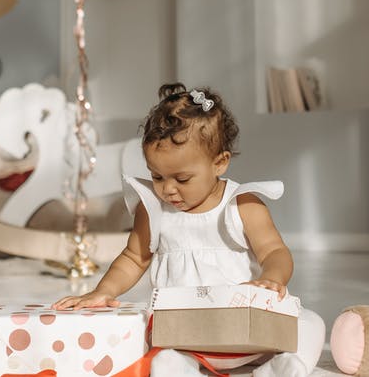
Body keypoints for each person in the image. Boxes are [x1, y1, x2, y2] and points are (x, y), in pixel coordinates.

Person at [54, 83, 325, 376]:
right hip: (182, 335)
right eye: (157, 176)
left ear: (220, 163)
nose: (167, 189)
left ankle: (281, 369)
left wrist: (272, 278)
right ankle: (180, 369)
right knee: (162, 358)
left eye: (182, 179)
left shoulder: (242, 204)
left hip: (248, 329)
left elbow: (274, 251)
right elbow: (134, 259)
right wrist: (102, 291)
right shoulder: (152, 209)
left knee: (310, 322)